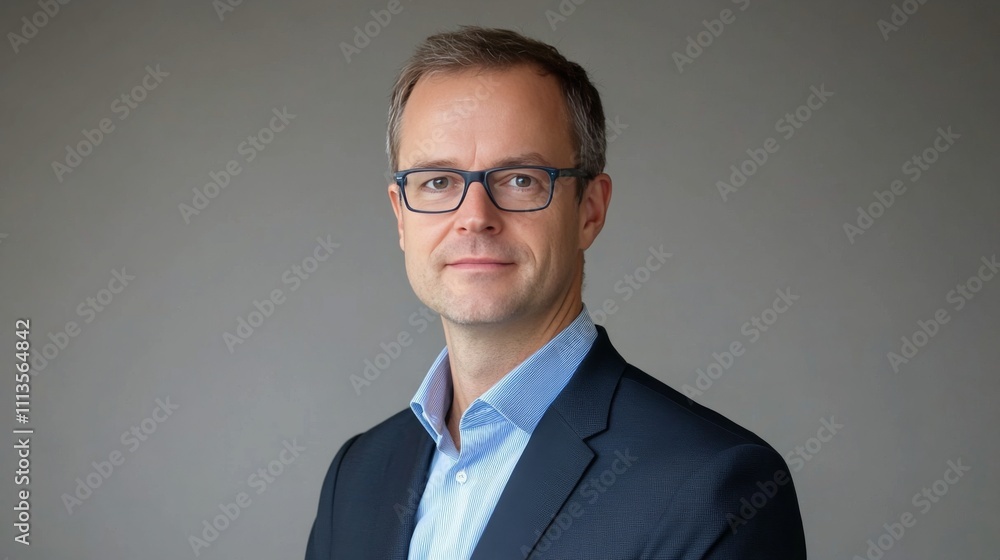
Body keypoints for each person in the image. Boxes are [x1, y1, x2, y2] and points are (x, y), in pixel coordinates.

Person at [305, 25, 806, 560]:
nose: (475, 218)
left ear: (590, 209)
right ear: (401, 215)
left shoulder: (714, 487)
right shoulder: (356, 475)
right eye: (437, 182)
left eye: (520, 179)